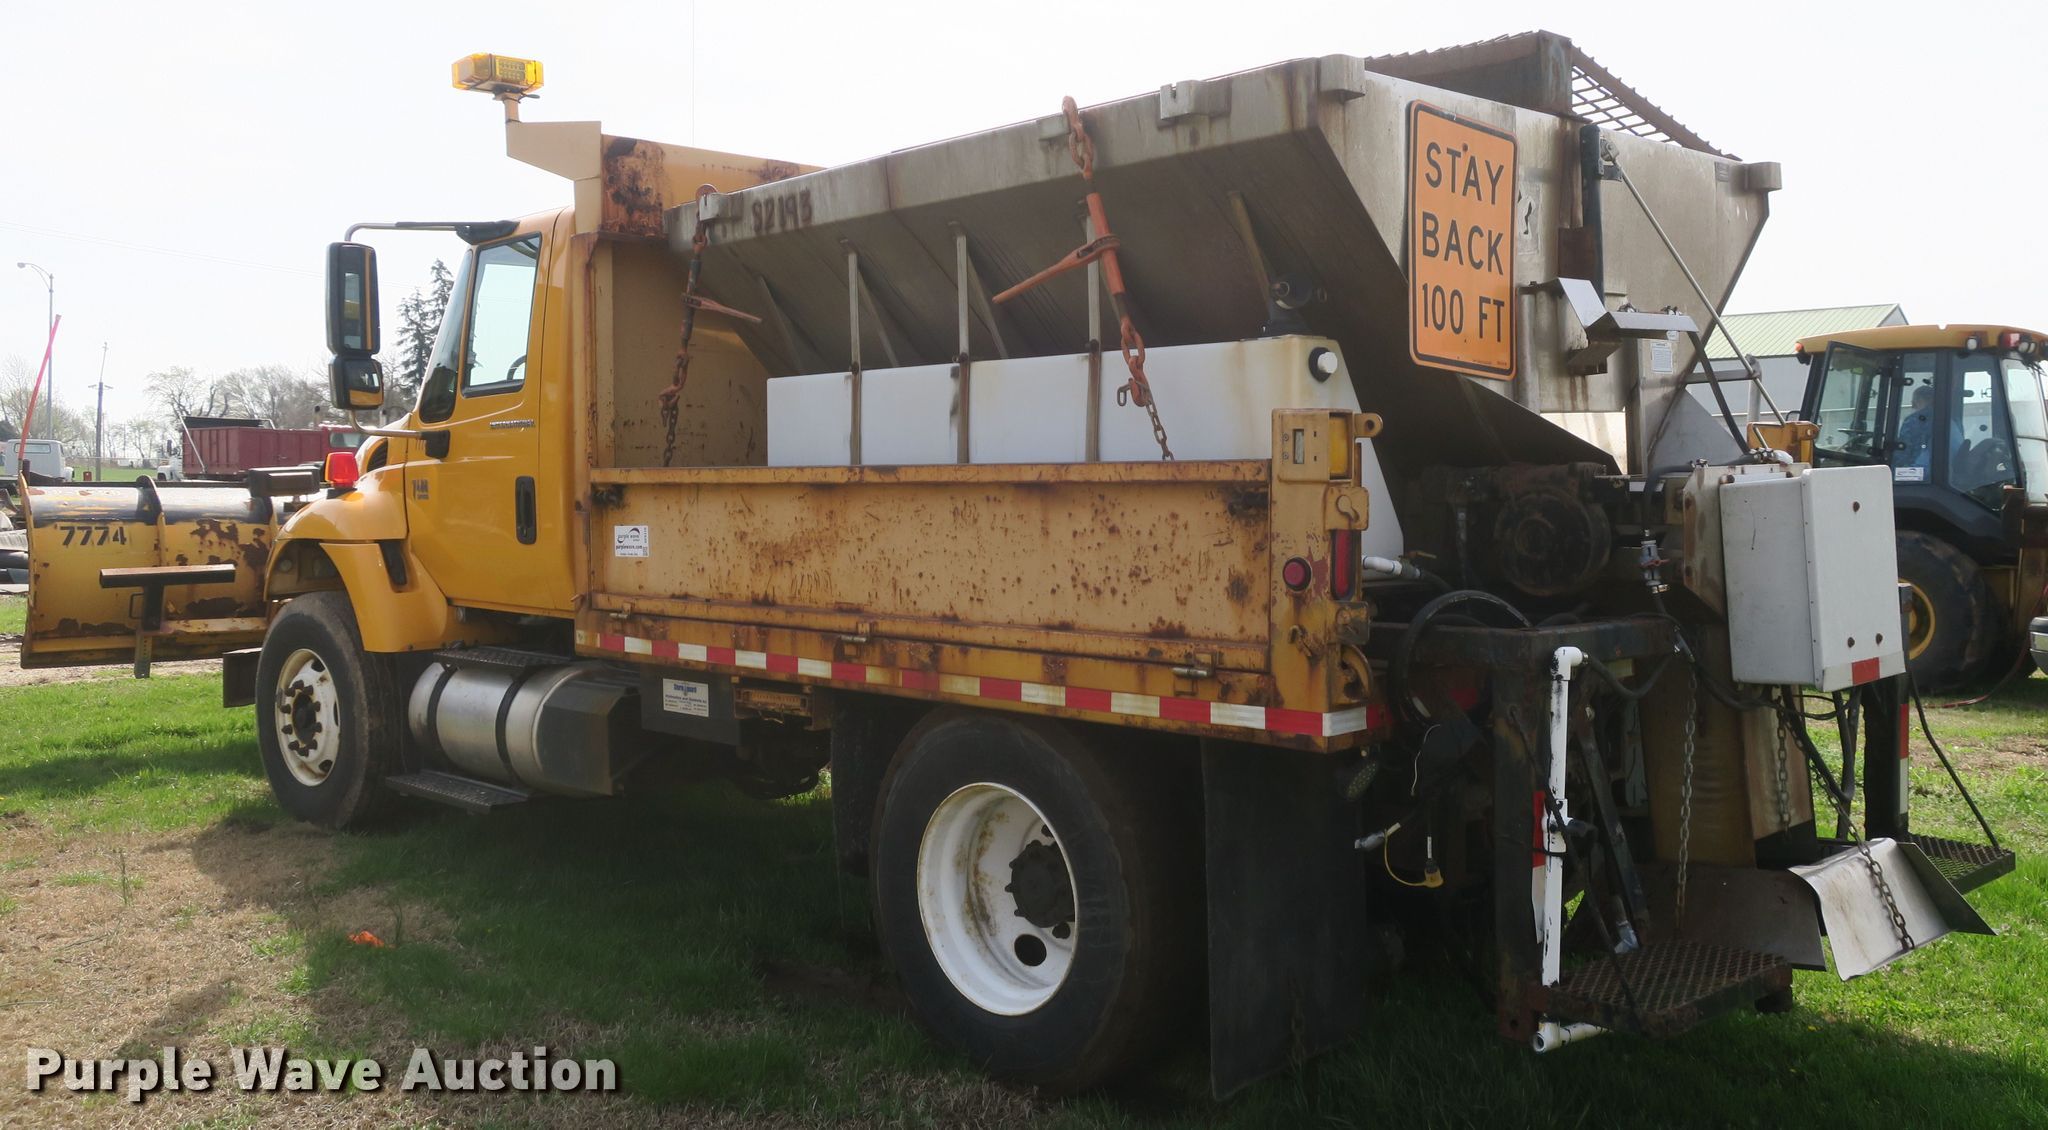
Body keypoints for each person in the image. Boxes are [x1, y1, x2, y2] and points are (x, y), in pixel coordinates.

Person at [1893, 384, 1962, 471]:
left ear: (1919, 400)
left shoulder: (1915, 420)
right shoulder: (1953, 420)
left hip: (1923, 472)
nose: (1913, 408)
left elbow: (1903, 451)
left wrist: (1895, 469)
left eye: (1913, 404)